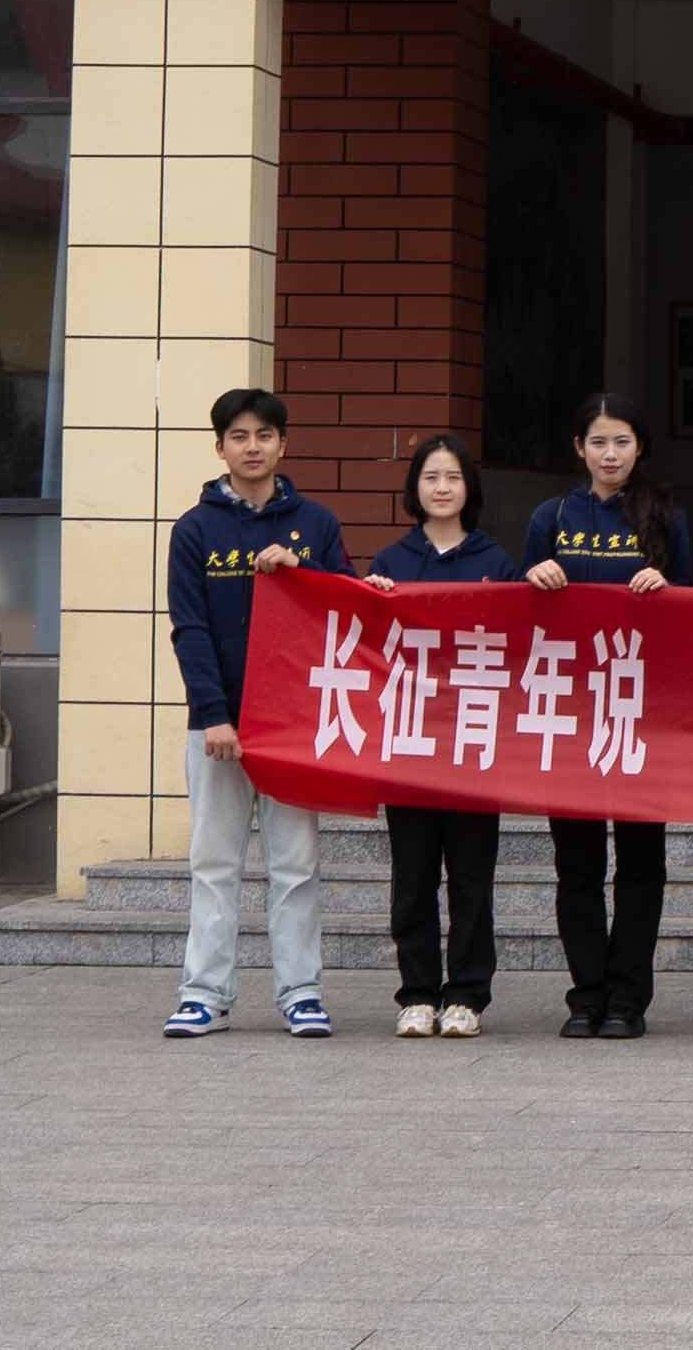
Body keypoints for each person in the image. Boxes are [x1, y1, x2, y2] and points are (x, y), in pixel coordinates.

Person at [160, 386, 351, 1039]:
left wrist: (302, 569)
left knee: (295, 864)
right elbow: (189, 628)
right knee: (214, 863)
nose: (252, 447)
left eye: (264, 435)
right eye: (238, 436)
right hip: (218, 727)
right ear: (220, 448)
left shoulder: (316, 524)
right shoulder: (194, 529)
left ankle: (301, 992)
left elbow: (347, 606)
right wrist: (213, 713)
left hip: (293, 725)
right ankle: (204, 994)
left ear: (283, 445)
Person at [519, 394, 687, 1040]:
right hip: (570, 710)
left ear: (639, 447)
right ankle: (585, 995)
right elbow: (520, 611)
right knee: (578, 863)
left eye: (621, 442)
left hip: (644, 711)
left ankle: (627, 998)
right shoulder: (552, 516)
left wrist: (667, 587)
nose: (610, 454)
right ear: (579, 448)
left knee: (641, 861)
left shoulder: (666, 515)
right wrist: (535, 575)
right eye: (598, 442)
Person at [358, 433, 508, 1039]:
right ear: (414, 488)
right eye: (431, 478)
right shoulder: (392, 562)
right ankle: (417, 993)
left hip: (473, 739)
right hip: (411, 742)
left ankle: (467, 994)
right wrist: (371, 601)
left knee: (472, 876)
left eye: (452, 477)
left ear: (469, 488)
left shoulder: (497, 562)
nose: (442, 488)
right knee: (413, 876)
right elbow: (368, 646)